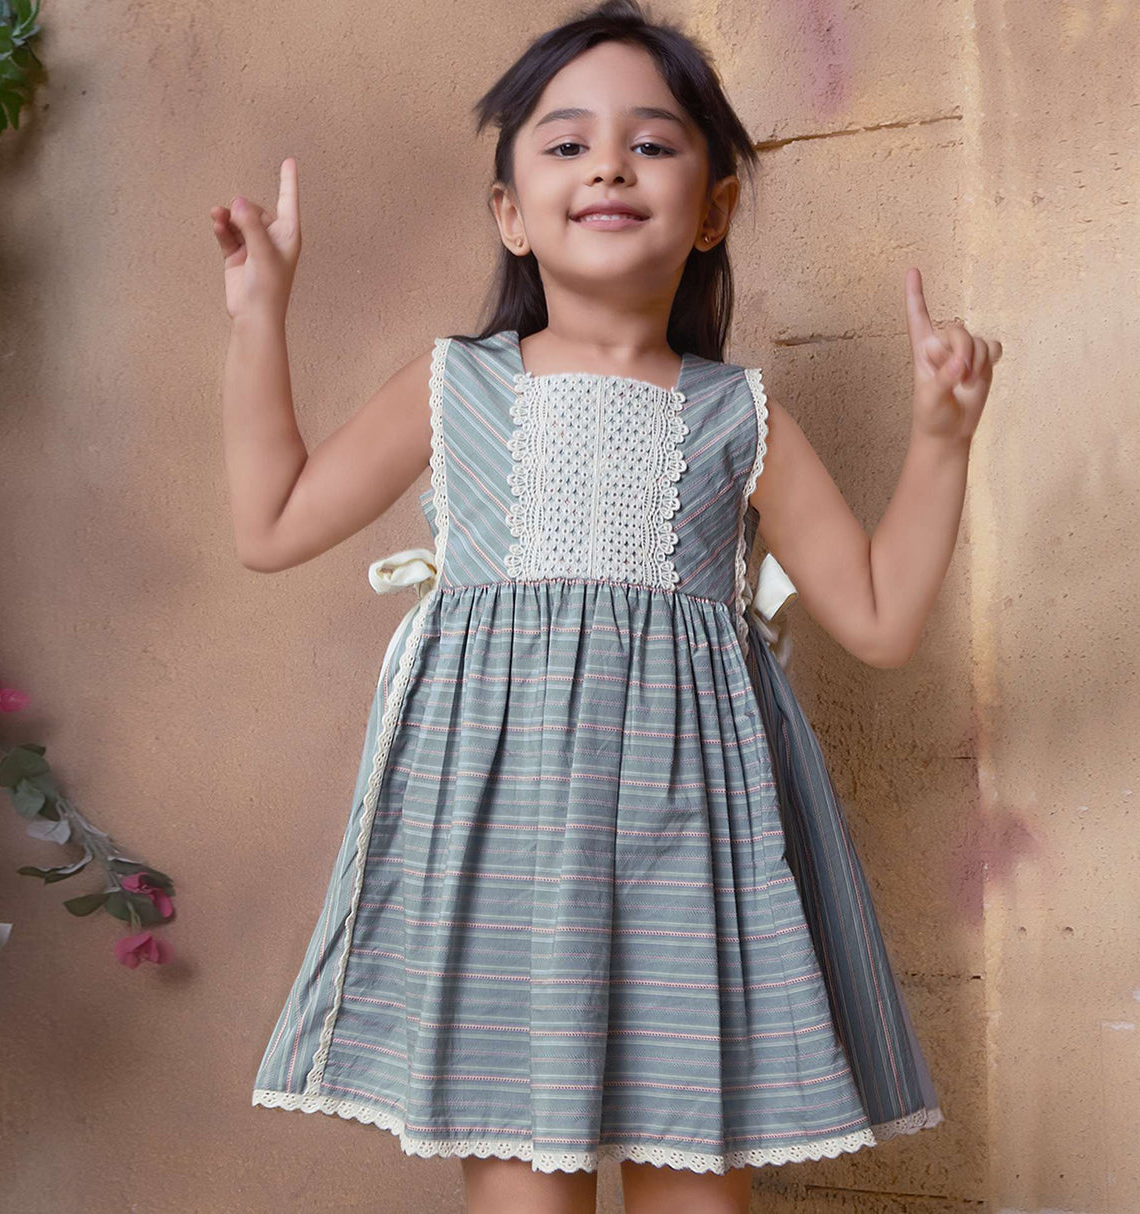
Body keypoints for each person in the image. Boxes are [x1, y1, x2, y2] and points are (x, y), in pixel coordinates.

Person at [212, 3, 1001, 1210]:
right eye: (566, 143)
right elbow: (271, 520)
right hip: (502, 850)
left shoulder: (743, 416)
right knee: (525, 1184)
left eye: (651, 141)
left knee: (697, 1183)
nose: (609, 166)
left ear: (714, 209)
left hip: (697, 853)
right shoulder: (455, 383)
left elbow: (884, 617)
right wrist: (258, 310)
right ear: (510, 214)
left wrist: (941, 436)